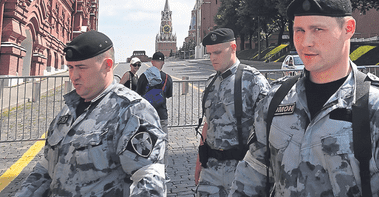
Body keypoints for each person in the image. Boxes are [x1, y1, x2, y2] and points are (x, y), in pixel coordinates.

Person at [230, 0, 379, 196]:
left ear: (348, 28)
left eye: (318, 30)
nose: (305, 42)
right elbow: (250, 178)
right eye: (299, 30)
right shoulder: (274, 101)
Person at [15, 30, 166, 196]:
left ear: (107, 65)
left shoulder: (132, 110)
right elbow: (47, 165)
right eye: (70, 68)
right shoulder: (69, 110)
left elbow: (149, 180)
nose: (74, 76)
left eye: (81, 68)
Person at [195, 28, 270, 197]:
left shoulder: (253, 80)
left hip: (242, 168)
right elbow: (208, 123)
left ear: (233, 47)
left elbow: (268, 128)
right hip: (211, 169)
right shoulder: (210, 83)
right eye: (209, 54)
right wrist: (199, 161)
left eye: (218, 52)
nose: (212, 58)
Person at [136, 51, 173, 135]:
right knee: (163, 141)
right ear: (163, 63)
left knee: (148, 141)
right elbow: (168, 95)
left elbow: (138, 93)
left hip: (147, 114)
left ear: (152, 62)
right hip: (162, 114)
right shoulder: (168, 78)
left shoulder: (143, 76)